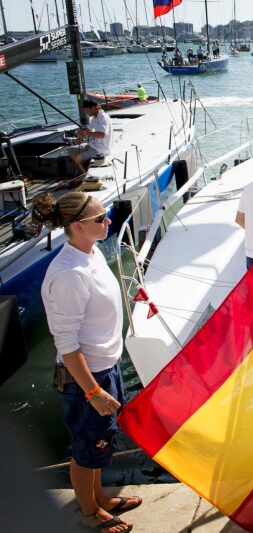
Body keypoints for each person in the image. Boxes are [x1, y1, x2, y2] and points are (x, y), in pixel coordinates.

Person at [34, 192, 140, 533]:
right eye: (101, 218)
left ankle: (99, 498)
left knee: (101, 440)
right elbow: (66, 344)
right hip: (87, 377)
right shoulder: (69, 274)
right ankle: (88, 512)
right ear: (77, 226)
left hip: (104, 367)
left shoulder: (89, 253)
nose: (109, 221)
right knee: (87, 445)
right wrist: (93, 390)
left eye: (106, 215)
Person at [70, 100, 112, 175]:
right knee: (71, 151)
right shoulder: (94, 118)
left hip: (101, 149)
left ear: (93, 108)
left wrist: (88, 133)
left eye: (86, 110)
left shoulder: (103, 117)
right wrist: (80, 136)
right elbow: (88, 131)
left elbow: (103, 135)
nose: (86, 112)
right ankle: (85, 173)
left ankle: (85, 175)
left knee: (78, 158)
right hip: (93, 145)